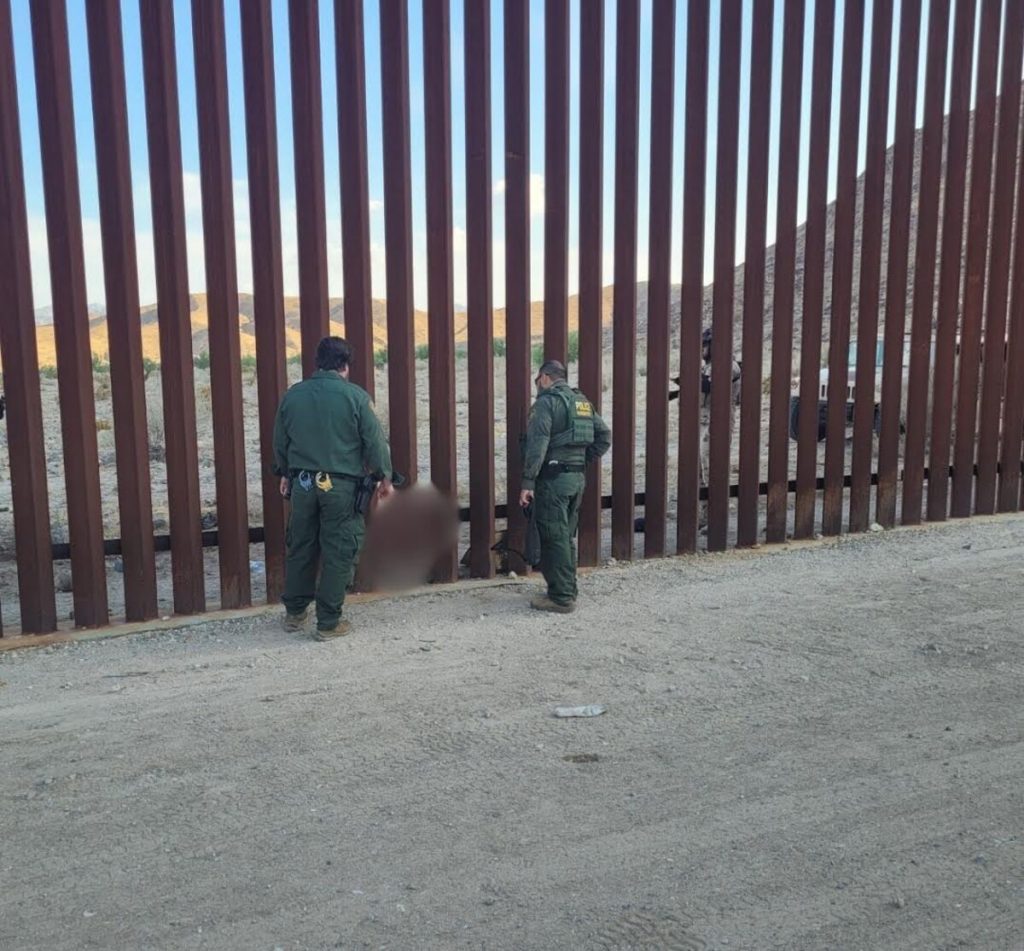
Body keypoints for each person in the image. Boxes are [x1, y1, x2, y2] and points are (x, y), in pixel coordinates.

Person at [272, 336, 394, 640]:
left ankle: (295, 613)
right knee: (339, 549)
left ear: (317, 362)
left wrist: (285, 472)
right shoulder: (355, 397)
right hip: (340, 487)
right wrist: (384, 477)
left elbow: (280, 441)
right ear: (345, 365)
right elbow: (375, 442)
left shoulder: (293, 396)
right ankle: (328, 622)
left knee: (301, 544)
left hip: (302, 484)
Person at [519, 359, 610, 613]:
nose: (537, 385)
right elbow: (604, 436)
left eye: (538, 380)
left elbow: (537, 446)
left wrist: (527, 482)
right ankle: (566, 588)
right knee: (565, 536)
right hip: (576, 479)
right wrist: (580, 461)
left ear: (545, 377)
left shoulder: (546, 403)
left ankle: (560, 598)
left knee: (553, 537)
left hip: (553, 480)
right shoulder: (582, 402)